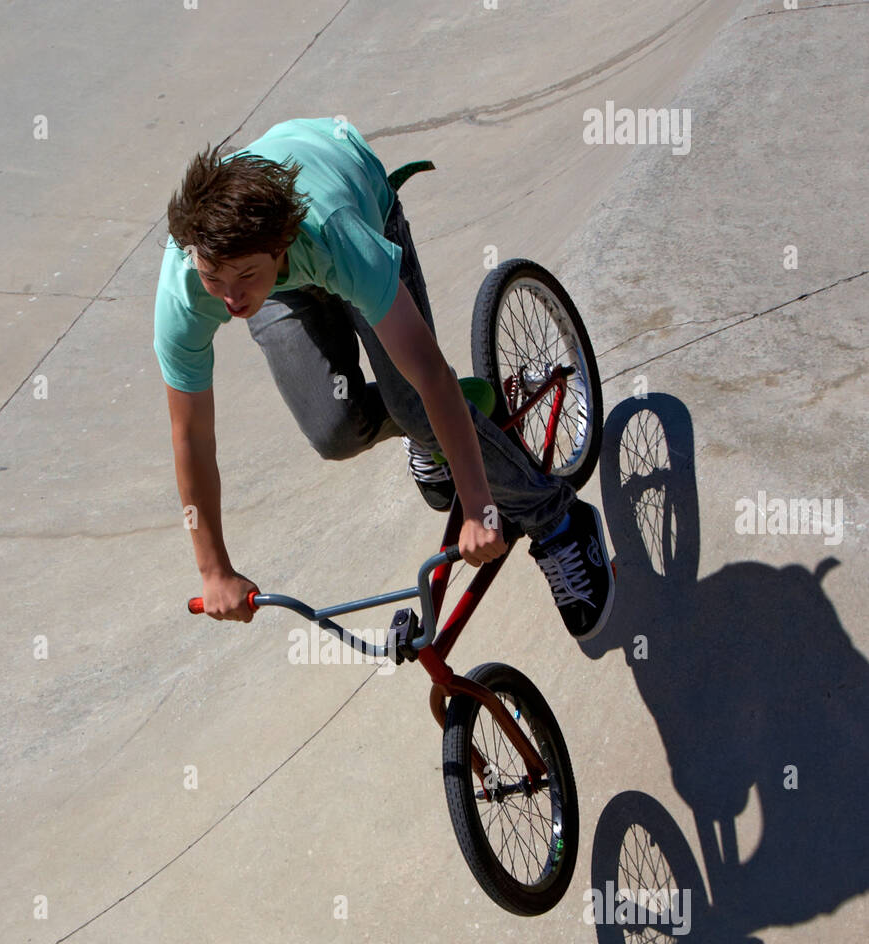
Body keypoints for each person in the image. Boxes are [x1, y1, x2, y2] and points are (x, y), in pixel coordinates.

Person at [153, 117, 613, 640]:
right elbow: (190, 435)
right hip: (278, 274)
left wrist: (481, 506)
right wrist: (213, 568)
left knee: (417, 402)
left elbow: (431, 373)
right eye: (215, 278)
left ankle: (556, 517)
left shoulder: (339, 238)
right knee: (334, 432)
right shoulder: (190, 284)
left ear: (280, 247)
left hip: (349, 190)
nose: (231, 299)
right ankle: (426, 433)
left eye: (244, 279)